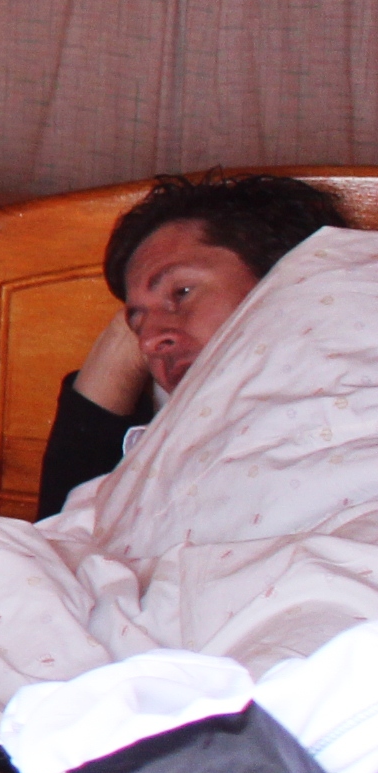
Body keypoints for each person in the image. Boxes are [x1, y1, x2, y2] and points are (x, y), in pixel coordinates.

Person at [34, 172, 356, 518]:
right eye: (137, 323)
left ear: (288, 281)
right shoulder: (167, 459)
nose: (149, 342)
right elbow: (61, 534)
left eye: (182, 292)